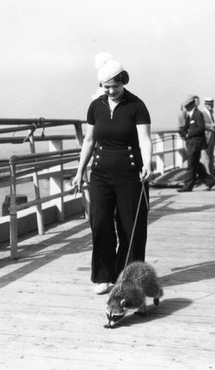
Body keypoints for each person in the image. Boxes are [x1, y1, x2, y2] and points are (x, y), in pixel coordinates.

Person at [72, 56, 152, 295]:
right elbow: (88, 141)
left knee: (131, 228)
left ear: (123, 81)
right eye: (105, 88)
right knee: (100, 223)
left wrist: (147, 162)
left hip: (130, 173)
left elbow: (144, 139)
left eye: (114, 86)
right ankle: (102, 276)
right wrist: (79, 172)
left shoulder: (137, 106)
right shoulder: (96, 106)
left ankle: (127, 277)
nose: (110, 91)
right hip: (100, 173)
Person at [178, 96, 215, 192]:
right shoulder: (190, 115)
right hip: (191, 143)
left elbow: (200, 128)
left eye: (187, 106)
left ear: (191, 105)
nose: (186, 108)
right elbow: (186, 127)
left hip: (196, 144)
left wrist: (188, 134)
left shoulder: (197, 114)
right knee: (196, 165)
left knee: (191, 165)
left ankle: (188, 186)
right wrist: (182, 133)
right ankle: (210, 181)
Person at [202, 97, 215, 176]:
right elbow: (201, 125)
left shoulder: (211, 113)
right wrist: (212, 126)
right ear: (205, 104)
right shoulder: (203, 113)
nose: (211, 106)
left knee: (211, 157)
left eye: (211, 104)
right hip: (206, 138)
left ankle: (211, 175)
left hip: (212, 138)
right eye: (209, 104)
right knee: (206, 158)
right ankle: (208, 175)